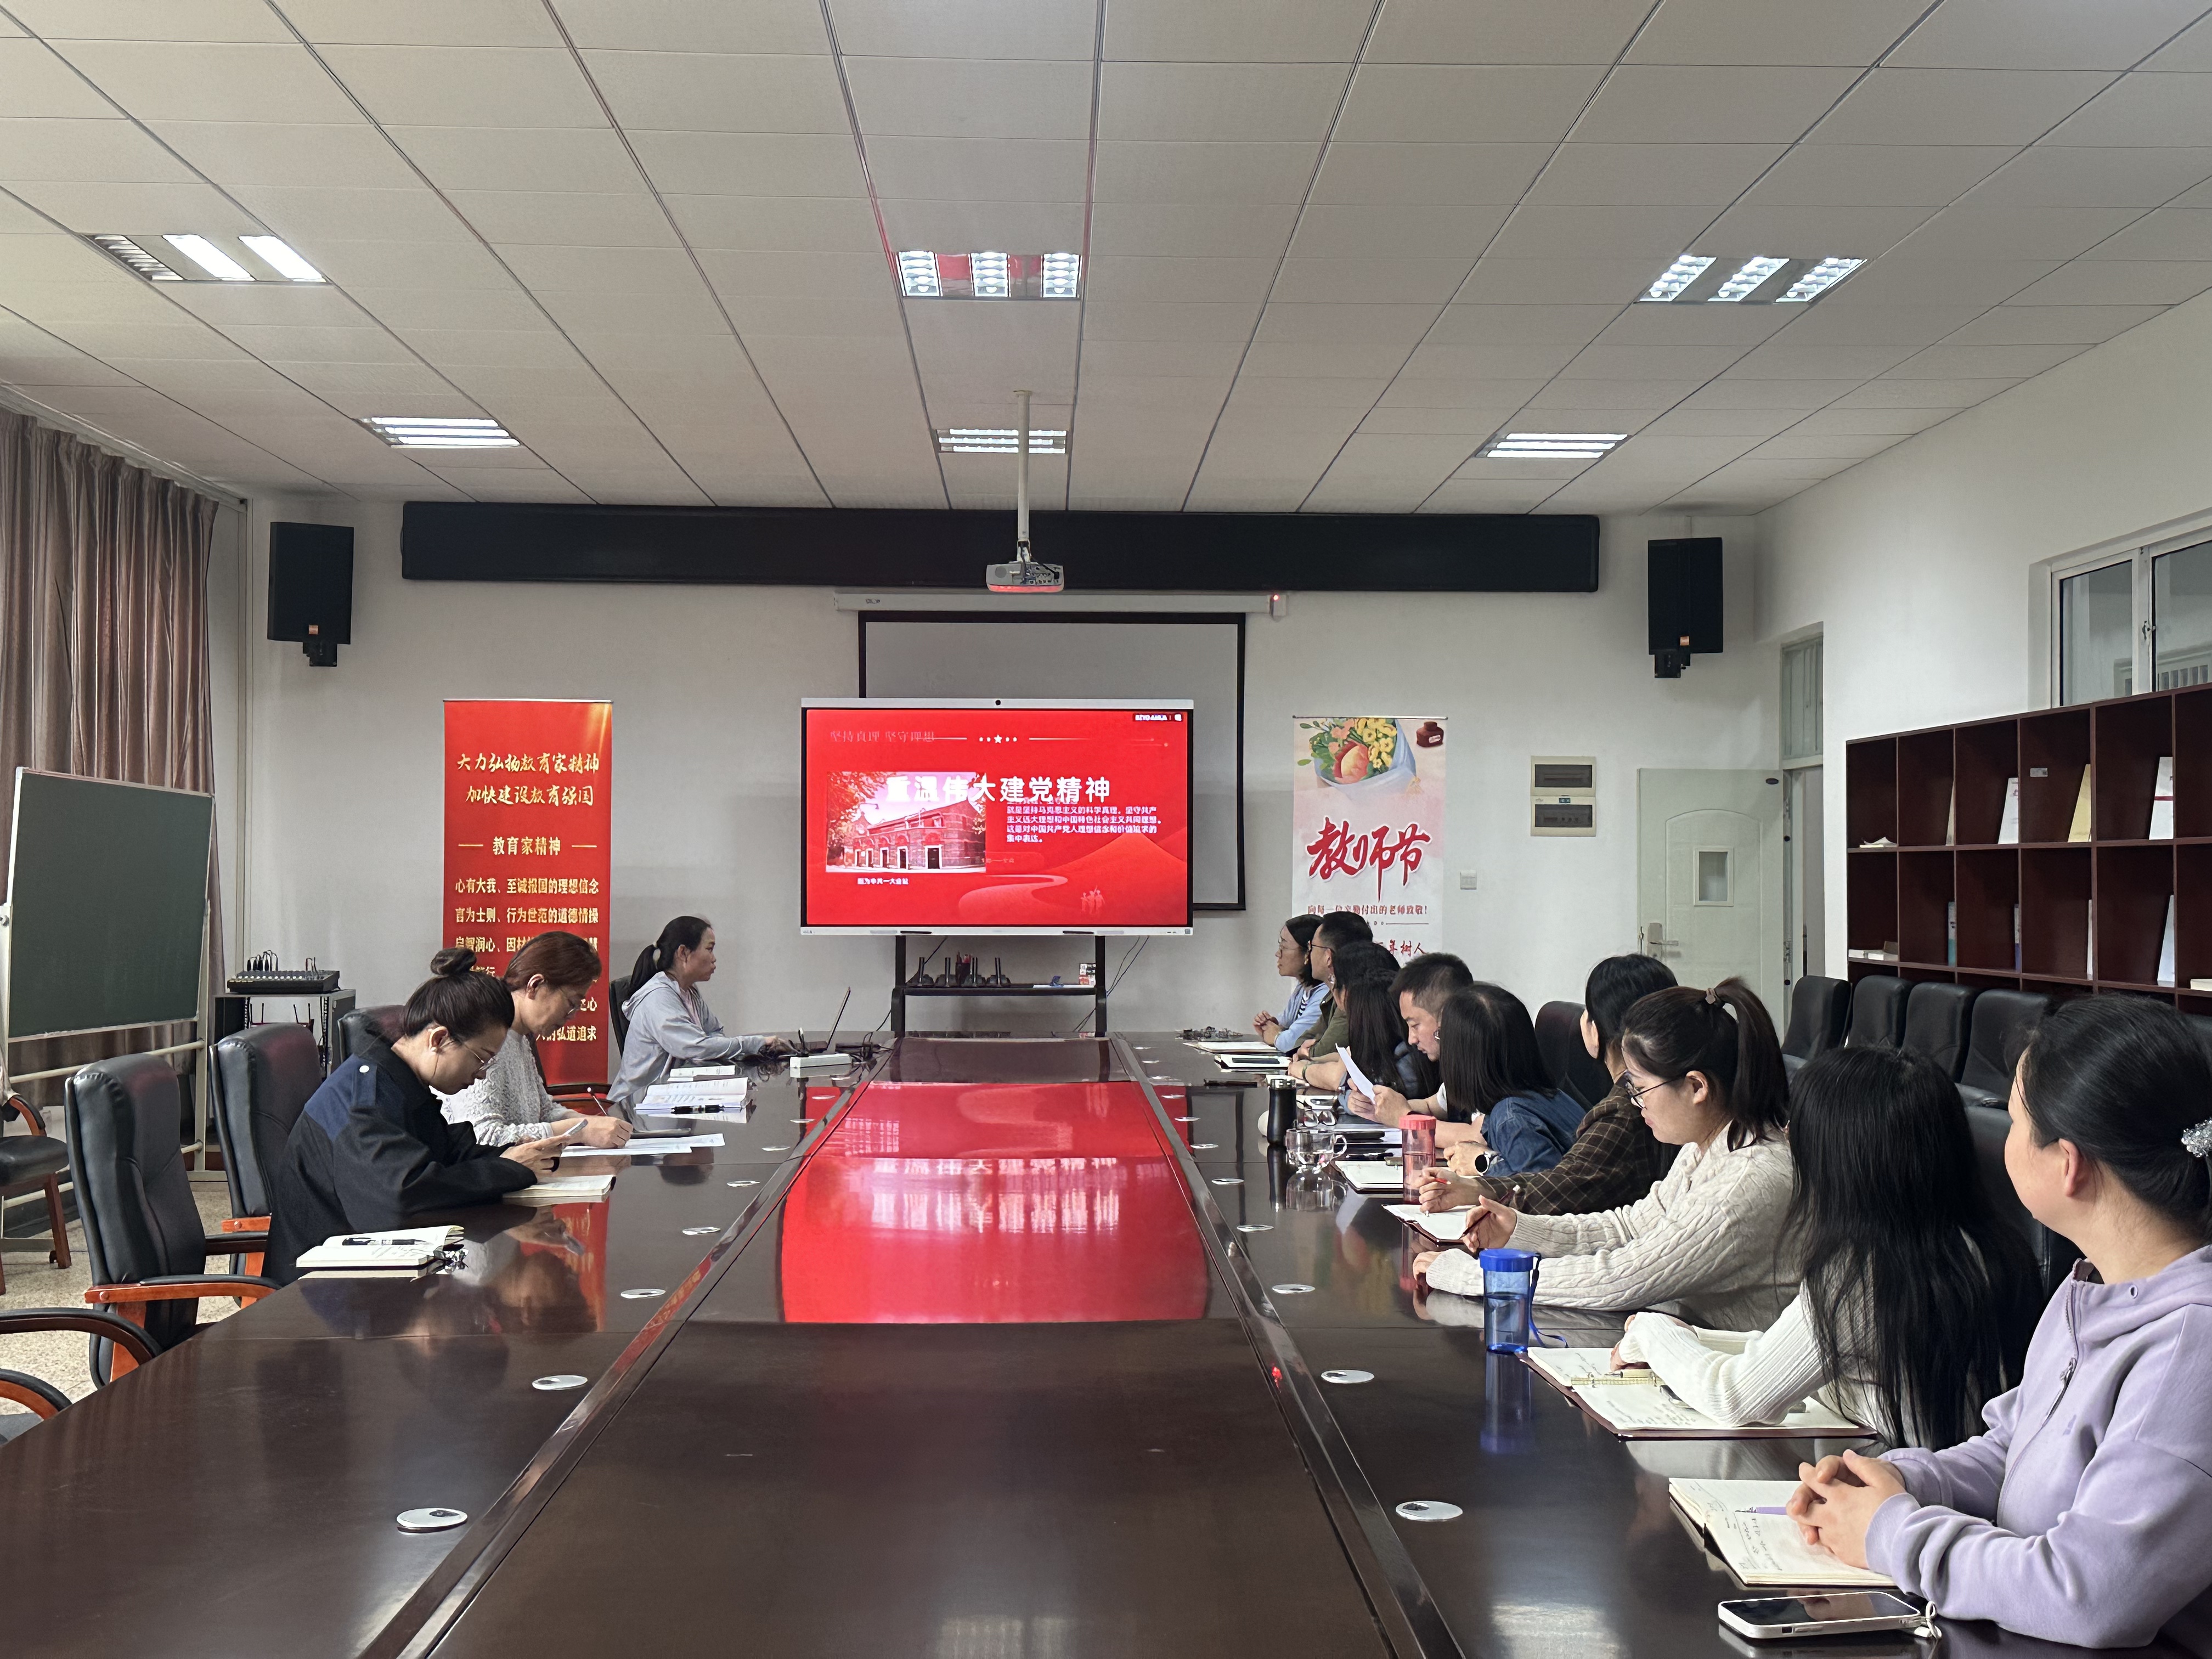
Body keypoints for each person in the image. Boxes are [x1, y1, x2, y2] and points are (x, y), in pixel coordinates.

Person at [1788, 996, 2212, 1650]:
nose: (2001, 1137)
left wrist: (1890, 1532)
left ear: (2068, 1164)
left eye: (2014, 1121)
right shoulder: (2092, 1286)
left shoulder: (2192, 1350)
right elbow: (2013, 1448)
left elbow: (2090, 1593)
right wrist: (1903, 1480)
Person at [1617, 1044, 2039, 1443]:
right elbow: (1809, 1354)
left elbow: (1733, 1397)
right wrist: (1692, 1339)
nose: (1788, 1136)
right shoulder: (1986, 1247)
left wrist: (1652, 1333)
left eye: (1799, 1127)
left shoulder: (1862, 1272)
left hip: (1887, 1480)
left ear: (1840, 1156)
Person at [1414, 979, 1797, 1331]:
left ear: (1696, 1087)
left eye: (1640, 1087)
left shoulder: (1747, 1181)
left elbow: (1623, 1278)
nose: (1634, 1101)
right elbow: (1627, 1229)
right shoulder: (1708, 1147)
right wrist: (1520, 1230)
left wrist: (1472, 1278)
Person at [266, 950, 567, 1285]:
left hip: (371, 1273)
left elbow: (444, 1153)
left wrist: (513, 1155)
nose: (481, 1074)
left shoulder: (400, 1081)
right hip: (320, 1288)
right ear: (439, 1039)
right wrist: (507, 1169)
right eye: (480, 1059)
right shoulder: (364, 1099)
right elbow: (402, 1196)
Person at [1417, 952, 1676, 1216]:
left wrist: (1484, 1165)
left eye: (1588, 1013)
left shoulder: (1616, 1112)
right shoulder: (1554, 1096)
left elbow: (1547, 1192)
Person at [441, 930, 630, 1150]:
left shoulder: (519, 1037)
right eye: (572, 1003)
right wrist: (580, 1131)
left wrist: (589, 1123)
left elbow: (544, 1111)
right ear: (535, 985)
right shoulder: (486, 1036)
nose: (572, 1015)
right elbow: (482, 1137)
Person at [610, 915, 789, 1111]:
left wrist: (721, 1047)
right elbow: (697, 1047)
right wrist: (755, 1043)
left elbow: (714, 1033)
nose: (714, 958)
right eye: (709, 949)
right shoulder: (658, 997)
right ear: (684, 953)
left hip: (672, 1099)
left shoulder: (689, 991)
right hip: (638, 1108)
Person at [1285, 912, 1374, 1091]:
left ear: (1328, 957)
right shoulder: (1333, 995)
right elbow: (1302, 1041)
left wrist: (1305, 1060)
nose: (1309, 955)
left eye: (1312, 947)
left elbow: (1324, 1052)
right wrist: (1305, 1052)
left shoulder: (1353, 997)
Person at [1252, 915, 1327, 1053]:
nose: (1278, 954)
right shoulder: (1303, 988)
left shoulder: (1325, 993)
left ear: (1308, 952)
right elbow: (1283, 1026)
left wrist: (1277, 1035)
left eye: (1284, 947)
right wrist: (1271, 1026)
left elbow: (1291, 1042)